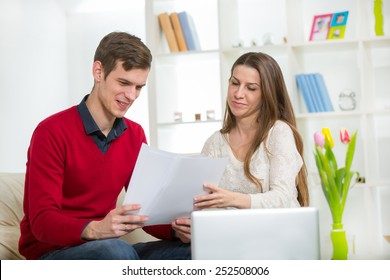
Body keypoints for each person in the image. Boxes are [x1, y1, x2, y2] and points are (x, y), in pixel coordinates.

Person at [18, 31, 190, 260]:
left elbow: (144, 213)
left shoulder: (134, 134)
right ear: (98, 72)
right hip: (52, 252)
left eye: (139, 87)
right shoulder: (50, 132)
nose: (131, 96)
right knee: (116, 250)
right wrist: (96, 229)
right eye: (124, 83)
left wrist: (176, 230)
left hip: (109, 250)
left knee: (193, 251)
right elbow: (42, 222)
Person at [171, 52, 309, 243]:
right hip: (230, 241)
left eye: (251, 88)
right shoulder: (215, 143)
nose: (238, 93)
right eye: (235, 83)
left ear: (267, 94)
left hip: (277, 239)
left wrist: (234, 199)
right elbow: (203, 206)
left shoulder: (279, 132)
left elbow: (283, 197)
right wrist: (189, 231)